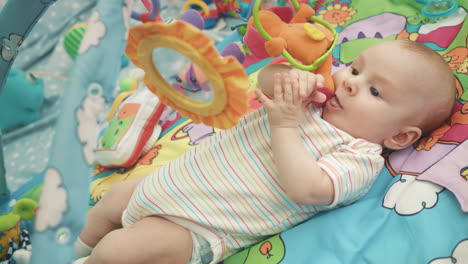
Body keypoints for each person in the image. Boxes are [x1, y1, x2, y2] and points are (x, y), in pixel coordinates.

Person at [74, 40, 455, 264]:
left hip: (199, 227)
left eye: (375, 91)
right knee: (111, 202)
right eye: (355, 70)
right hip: (166, 184)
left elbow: (308, 188)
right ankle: (67, 252)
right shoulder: (313, 99)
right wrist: (288, 76)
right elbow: (268, 79)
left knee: (118, 251)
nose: (351, 84)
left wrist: (286, 124)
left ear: (401, 138)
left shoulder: (358, 157)